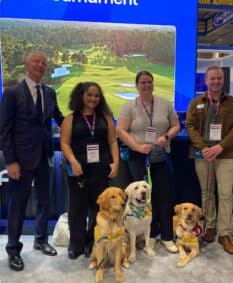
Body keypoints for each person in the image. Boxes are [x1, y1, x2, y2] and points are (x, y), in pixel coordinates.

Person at [0, 51, 64, 271]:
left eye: (44, 62)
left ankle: (40, 239)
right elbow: (5, 131)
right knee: (17, 205)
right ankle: (13, 250)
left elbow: (60, 118)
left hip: (45, 157)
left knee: (44, 201)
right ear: (26, 64)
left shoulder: (49, 92)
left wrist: (83, 122)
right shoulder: (12, 93)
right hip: (21, 160)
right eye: (36, 61)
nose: (41, 65)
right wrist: (10, 162)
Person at [116, 70, 180, 253]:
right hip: (138, 157)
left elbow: (176, 125)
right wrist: (137, 146)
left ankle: (166, 237)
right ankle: (146, 237)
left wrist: (166, 136)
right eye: (143, 82)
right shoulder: (129, 106)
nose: (146, 85)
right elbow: (120, 131)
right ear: (137, 85)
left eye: (149, 82)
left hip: (161, 156)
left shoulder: (165, 103)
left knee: (164, 198)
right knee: (142, 199)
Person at [185, 65, 233, 255]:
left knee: (225, 194)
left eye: (219, 78)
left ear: (222, 80)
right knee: (207, 192)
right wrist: (204, 147)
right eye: (212, 79)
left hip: (225, 155)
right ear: (206, 80)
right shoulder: (196, 102)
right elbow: (190, 126)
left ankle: (224, 233)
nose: (216, 81)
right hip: (203, 156)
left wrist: (219, 147)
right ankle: (210, 226)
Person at [60, 81, 119, 259]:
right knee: (77, 209)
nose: (93, 98)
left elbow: (112, 142)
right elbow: (64, 143)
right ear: (81, 96)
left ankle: (92, 242)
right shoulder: (71, 118)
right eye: (89, 95)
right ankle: (76, 244)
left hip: (100, 171)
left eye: (97, 95)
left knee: (98, 209)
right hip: (78, 171)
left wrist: (116, 163)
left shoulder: (106, 118)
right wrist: (73, 161)